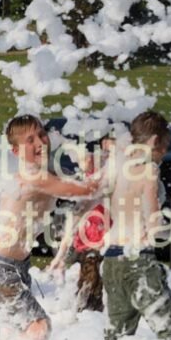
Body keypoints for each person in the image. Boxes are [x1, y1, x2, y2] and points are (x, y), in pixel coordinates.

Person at [0, 115, 101, 340]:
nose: (40, 142)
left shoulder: (46, 173)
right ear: (16, 151)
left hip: (14, 265)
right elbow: (85, 190)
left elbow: (84, 190)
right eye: (30, 140)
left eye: (42, 135)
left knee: (14, 330)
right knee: (39, 329)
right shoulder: (34, 177)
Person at [101, 111, 171, 340]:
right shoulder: (149, 170)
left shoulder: (117, 164)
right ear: (154, 141)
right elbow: (154, 225)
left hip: (111, 261)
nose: (165, 153)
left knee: (116, 338)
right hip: (138, 261)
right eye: (165, 146)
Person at [48, 132, 114, 313]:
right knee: (92, 274)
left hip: (107, 231)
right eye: (107, 149)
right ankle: (85, 309)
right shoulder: (95, 165)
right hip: (94, 230)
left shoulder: (117, 170)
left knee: (102, 277)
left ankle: (86, 309)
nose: (109, 155)